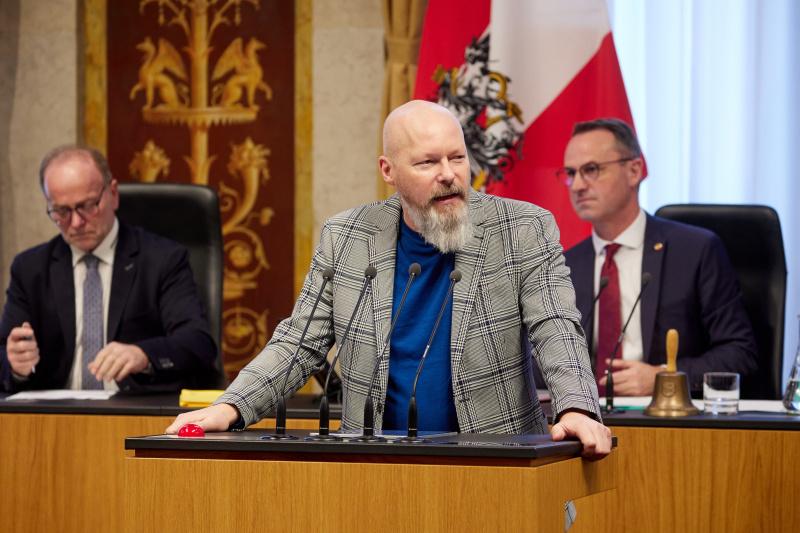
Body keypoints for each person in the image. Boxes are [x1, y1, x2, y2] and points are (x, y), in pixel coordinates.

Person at [167, 101, 611, 461]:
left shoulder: (522, 228)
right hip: (375, 465)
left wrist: (576, 407)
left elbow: (556, 325)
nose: (448, 174)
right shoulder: (347, 237)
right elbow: (298, 343)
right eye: (427, 162)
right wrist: (232, 405)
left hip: (495, 460)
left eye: (457, 157)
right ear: (388, 170)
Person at [558, 118, 757, 396]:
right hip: (587, 416)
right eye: (570, 173)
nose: (577, 185)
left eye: (591, 170)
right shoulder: (564, 266)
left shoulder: (695, 250)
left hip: (667, 414)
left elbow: (739, 353)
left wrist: (665, 378)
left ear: (634, 171)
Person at [0, 146, 217, 393]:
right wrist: (16, 366)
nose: (76, 222)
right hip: (57, 410)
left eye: (87, 206)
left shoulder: (162, 259)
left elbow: (198, 344)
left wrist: (143, 355)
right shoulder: (30, 269)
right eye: (61, 211)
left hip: (131, 408)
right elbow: (4, 355)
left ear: (112, 194)